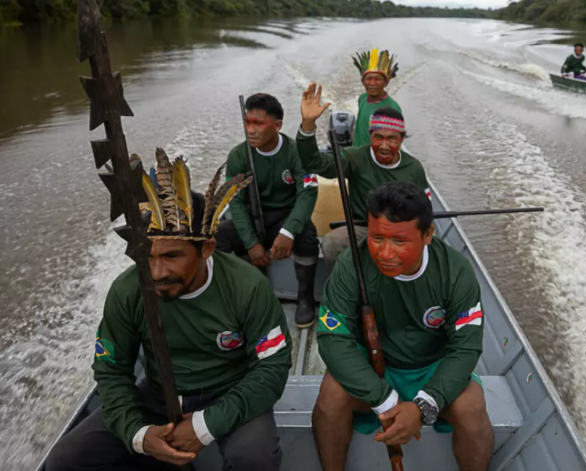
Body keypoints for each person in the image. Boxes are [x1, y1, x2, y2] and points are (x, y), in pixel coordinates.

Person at [46, 153, 291, 471]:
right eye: (146, 255)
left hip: (231, 392)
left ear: (206, 248)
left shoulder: (247, 287)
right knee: (64, 461)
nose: (157, 272)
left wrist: (205, 426)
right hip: (157, 395)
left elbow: (272, 367)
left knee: (254, 459)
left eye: (172, 255)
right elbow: (112, 370)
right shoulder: (128, 290)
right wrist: (138, 432)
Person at [312, 182, 493, 471]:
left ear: (427, 235)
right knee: (332, 394)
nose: (385, 253)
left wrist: (424, 406)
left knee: (470, 405)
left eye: (399, 241)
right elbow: (333, 339)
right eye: (376, 238)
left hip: (431, 368)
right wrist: (382, 398)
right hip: (371, 370)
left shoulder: (455, 272)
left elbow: (466, 346)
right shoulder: (351, 265)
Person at [297, 82, 429, 269]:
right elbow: (315, 163)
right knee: (332, 244)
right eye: (378, 138)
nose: (384, 146)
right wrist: (308, 125)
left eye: (392, 139)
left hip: (400, 229)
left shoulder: (414, 168)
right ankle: (345, 285)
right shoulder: (355, 157)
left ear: (401, 139)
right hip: (362, 227)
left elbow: (425, 210)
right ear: (370, 135)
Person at [215, 93, 320, 328]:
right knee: (217, 237)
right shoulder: (239, 155)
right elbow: (236, 202)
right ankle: (246, 292)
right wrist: (251, 243)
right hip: (253, 217)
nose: (251, 130)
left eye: (258, 123)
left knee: (308, 235)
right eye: (247, 122)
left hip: (287, 215)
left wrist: (288, 232)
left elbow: (308, 192)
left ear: (277, 125)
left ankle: (305, 298)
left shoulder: (297, 151)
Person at [352, 48, 402, 146]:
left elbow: (393, 144)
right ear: (363, 82)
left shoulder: (392, 108)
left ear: (386, 82)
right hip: (355, 156)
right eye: (369, 79)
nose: (372, 83)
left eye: (378, 79)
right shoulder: (362, 98)